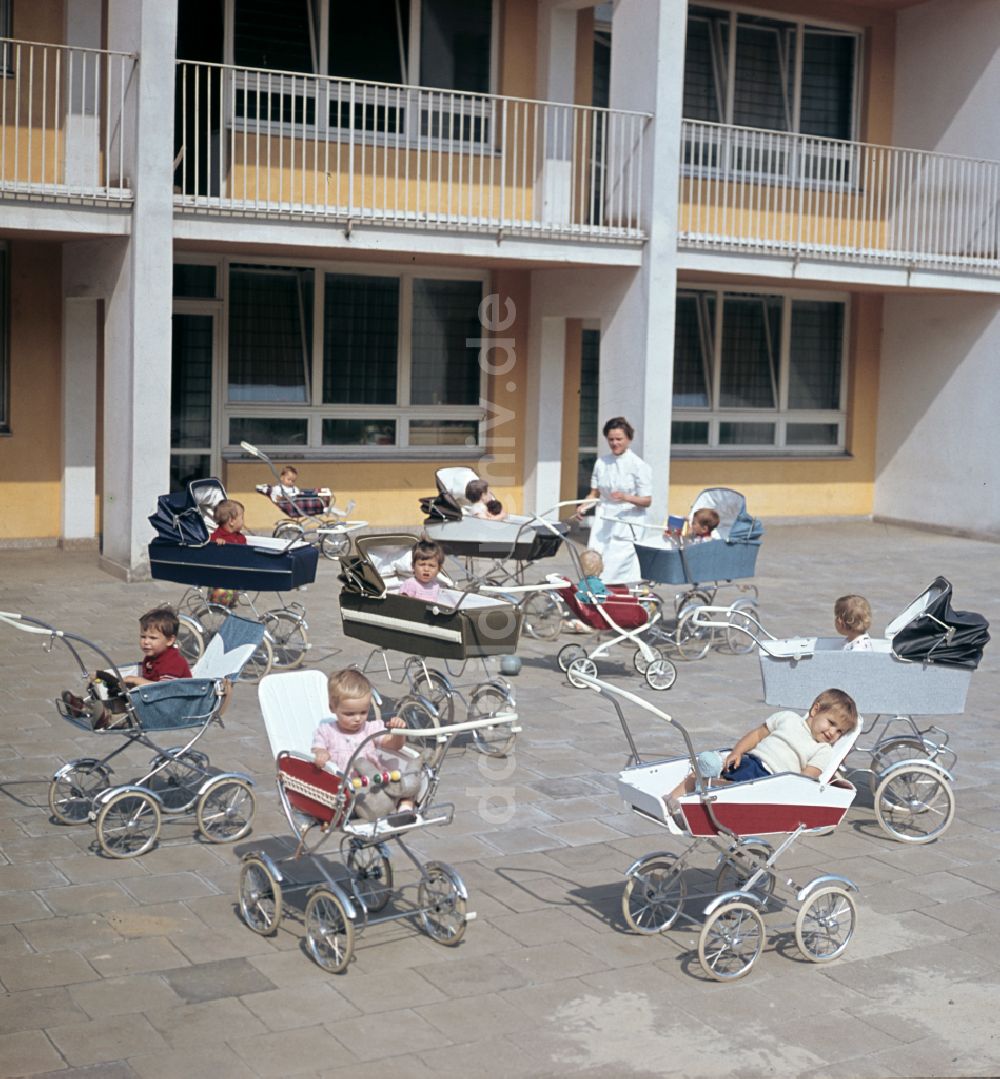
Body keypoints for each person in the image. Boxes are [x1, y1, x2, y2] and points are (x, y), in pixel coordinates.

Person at [666, 689, 858, 809]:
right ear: (815, 710)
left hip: (770, 777)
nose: (833, 733)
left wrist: (785, 792)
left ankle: (703, 793)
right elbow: (757, 735)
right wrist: (737, 752)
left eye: (840, 731)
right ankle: (671, 800)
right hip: (750, 760)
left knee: (730, 787)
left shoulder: (822, 749)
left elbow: (807, 777)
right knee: (702, 771)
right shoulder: (788, 718)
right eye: (831, 723)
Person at [311, 669, 419, 823]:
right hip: (348, 790)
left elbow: (394, 745)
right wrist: (321, 754)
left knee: (406, 786)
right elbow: (318, 748)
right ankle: (385, 810)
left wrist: (399, 733)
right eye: (349, 714)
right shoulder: (327, 731)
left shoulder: (370, 728)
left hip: (377, 784)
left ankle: (405, 811)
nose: (357, 719)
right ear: (332, 708)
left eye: (363, 712)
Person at [61, 607, 192, 730]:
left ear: (170, 640)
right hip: (150, 701)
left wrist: (137, 681)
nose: (146, 642)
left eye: (152, 638)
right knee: (119, 699)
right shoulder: (153, 657)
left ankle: (108, 720)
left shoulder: (173, 662)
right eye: (143, 637)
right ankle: (83, 708)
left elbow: (164, 688)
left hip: (169, 708)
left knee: (130, 714)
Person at [576, 416, 652, 584]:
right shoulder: (601, 463)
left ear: (628, 439)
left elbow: (647, 500)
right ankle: (598, 600)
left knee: (616, 569)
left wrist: (626, 497)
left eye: (619, 439)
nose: (615, 443)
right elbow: (594, 493)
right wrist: (583, 506)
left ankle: (617, 601)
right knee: (594, 564)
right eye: (611, 439)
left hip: (627, 521)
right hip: (604, 520)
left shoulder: (638, 465)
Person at [566, 549, 607, 633]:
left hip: (583, 610)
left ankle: (578, 623)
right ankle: (585, 626)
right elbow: (603, 599)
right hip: (594, 613)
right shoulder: (597, 584)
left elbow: (578, 596)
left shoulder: (582, 583)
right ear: (601, 568)